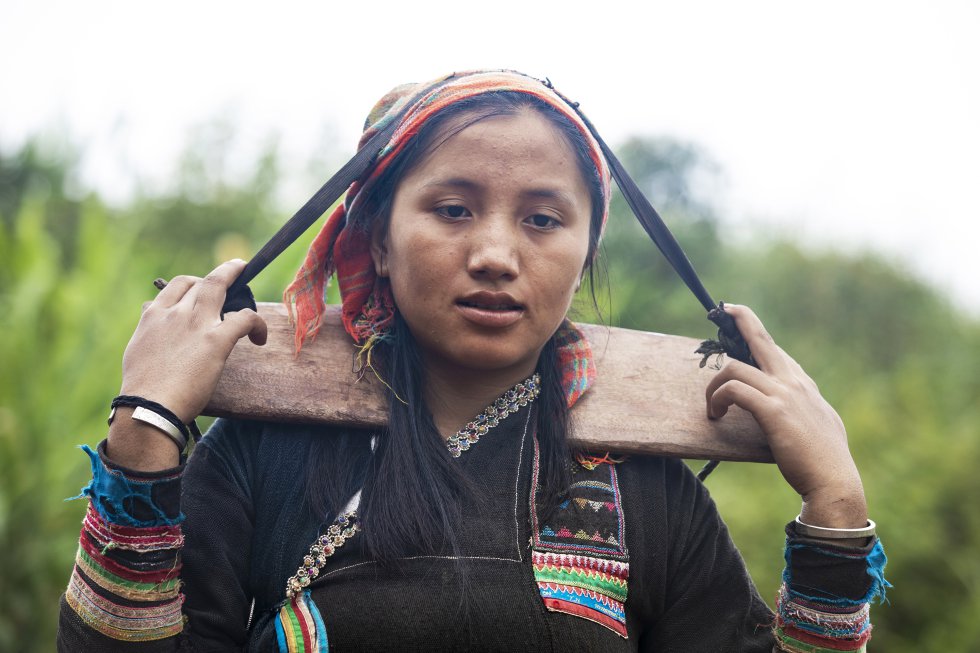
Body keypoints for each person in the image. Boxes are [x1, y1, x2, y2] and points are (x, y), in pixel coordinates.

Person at [58, 70, 888, 652]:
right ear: (376, 240)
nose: (495, 252)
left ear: (586, 247)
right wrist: (146, 430)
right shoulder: (262, 459)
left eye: (542, 220)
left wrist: (837, 505)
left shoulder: (646, 495)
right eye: (452, 209)